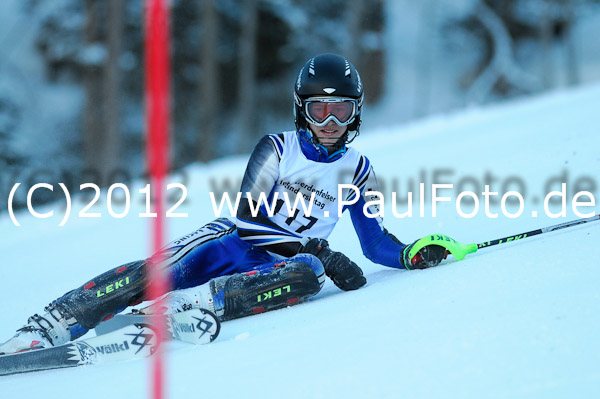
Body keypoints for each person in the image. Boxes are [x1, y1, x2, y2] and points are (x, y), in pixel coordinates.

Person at [0, 53, 449, 354]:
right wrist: (322, 251)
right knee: (160, 268)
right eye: (319, 110)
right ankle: (51, 325)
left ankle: (176, 311)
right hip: (230, 242)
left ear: (357, 113)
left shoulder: (358, 170)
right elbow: (250, 218)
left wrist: (411, 255)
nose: (330, 123)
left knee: (308, 276)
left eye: (342, 111)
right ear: (300, 110)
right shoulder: (276, 148)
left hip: (276, 268)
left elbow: (375, 244)